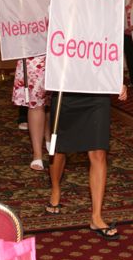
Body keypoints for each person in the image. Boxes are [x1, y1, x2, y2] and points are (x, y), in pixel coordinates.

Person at [47, 85, 127, 240]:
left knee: (98, 151)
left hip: (97, 93)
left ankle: (96, 217)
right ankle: (55, 188)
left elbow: (113, 60)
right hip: (66, 91)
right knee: (60, 147)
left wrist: (117, 80)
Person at [12, 56, 51, 171]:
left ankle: (48, 135)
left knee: (54, 98)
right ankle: (37, 154)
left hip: (60, 47)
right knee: (36, 100)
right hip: (34, 51)